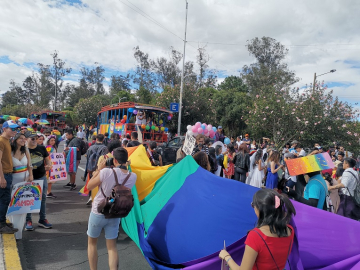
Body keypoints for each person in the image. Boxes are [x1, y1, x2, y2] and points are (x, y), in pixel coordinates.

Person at [219, 189, 295, 270]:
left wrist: (227, 257)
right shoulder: (290, 230)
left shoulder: (255, 236)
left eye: (253, 205)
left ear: (260, 209)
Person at [87, 147, 137, 270]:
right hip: (115, 213)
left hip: (99, 212)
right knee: (112, 247)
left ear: (114, 160)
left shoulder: (106, 172)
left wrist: (99, 170)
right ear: (126, 160)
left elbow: (89, 186)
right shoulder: (133, 176)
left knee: (92, 244)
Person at [25, 130, 53, 231]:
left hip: (41, 177)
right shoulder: (23, 150)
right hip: (28, 178)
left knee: (43, 199)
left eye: (36, 138)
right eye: (32, 138)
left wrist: (49, 165)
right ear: (26, 139)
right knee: (28, 200)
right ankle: (28, 220)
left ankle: (42, 219)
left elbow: (47, 159)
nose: (34, 140)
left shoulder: (41, 147)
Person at [10, 132, 34, 238]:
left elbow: (29, 164)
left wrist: (31, 175)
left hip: (25, 179)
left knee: (23, 205)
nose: (23, 140)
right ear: (15, 140)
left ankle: (19, 232)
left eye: (24, 139)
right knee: (13, 204)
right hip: (13, 181)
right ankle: (12, 227)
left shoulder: (26, 150)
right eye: (20, 138)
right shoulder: (10, 151)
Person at [0, 121, 20, 234]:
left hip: (8, 174)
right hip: (4, 175)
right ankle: (1, 224)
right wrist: (1, 178)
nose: (14, 131)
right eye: (12, 129)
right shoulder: (1, 141)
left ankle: (2, 221)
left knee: (5, 199)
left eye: (15, 129)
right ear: (4, 129)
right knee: (4, 200)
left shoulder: (7, 140)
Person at [85, 134, 109, 205]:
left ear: (96, 139)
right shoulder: (105, 148)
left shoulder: (91, 147)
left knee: (91, 181)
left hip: (91, 167)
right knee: (100, 183)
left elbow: (88, 158)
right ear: (103, 140)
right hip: (100, 168)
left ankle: (91, 196)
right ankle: (97, 197)